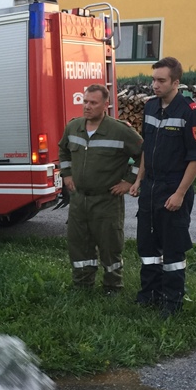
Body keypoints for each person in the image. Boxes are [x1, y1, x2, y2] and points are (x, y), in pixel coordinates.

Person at [129, 57, 196, 318]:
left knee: (173, 249)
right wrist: (139, 180)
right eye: (153, 80)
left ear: (176, 82)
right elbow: (147, 148)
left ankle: (172, 302)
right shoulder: (150, 107)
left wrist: (180, 193)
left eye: (161, 80)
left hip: (174, 187)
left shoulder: (190, 112)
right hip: (150, 187)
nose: (155, 85)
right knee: (147, 247)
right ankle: (149, 294)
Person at [58, 84, 143, 293]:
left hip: (107, 201)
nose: (87, 106)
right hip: (79, 200)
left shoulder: (120, 131)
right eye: (85, 101)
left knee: (110, 245)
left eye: (93, 103)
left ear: (106, 105)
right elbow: (63, 151)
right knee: (79, 244)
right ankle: (82, 285)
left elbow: (144, 154)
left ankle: (113, 286)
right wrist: (66, 174)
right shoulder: (73, 127)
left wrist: (130, 181)